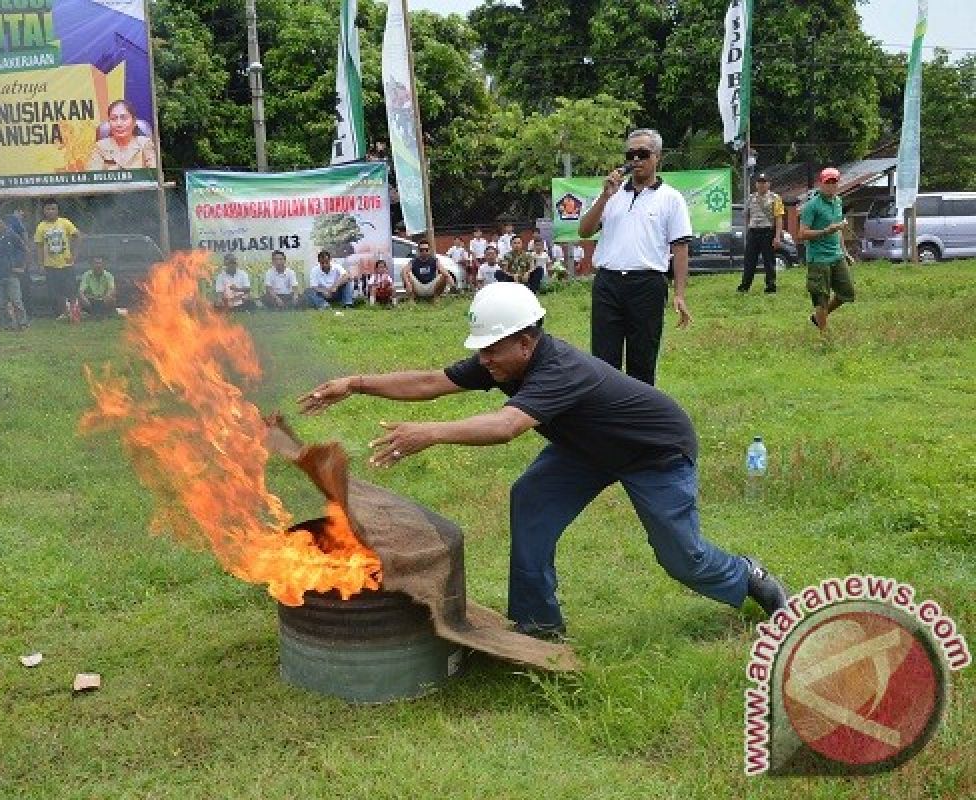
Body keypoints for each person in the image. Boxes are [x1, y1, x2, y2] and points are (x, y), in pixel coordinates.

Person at [296, 282, 789, 637]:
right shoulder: (503, 355)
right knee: (530, 497)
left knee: (682, 558)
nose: (483, 360)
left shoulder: (559, 368)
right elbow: (432, 381)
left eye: (492, 350)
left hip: (653, 452)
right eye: (481, 350)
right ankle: (538, 621)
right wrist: (355, 383)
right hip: (587, 449)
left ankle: (748, 576)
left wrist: (432, 434)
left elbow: (507, 426)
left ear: (526, 341)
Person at [578, 128, 693, 386]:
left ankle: (639, 419)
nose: (636, 160)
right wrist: (605, 197)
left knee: (642, 359)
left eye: (643, 153)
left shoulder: (671, 199)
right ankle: (607, 417)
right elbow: (585, 231)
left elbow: (680, 248)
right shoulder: (612, 195)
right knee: (604, 360)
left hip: (647, 284)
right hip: (608, 284)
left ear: (657, 157)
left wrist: (680, 294)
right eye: (631, 154)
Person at [799, 167, 855, 334]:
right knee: (820, 298)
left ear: (838, 183)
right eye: (827, 182)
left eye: (834, 182)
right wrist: (825, 231)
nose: (831, 185)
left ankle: (818, 319)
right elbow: (802, 233)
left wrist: (845, 252)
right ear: (821, 184)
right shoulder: (812, 206)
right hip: (818, 259)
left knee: (847, 293)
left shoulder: (838, 202)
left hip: (836, 255)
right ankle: (824, 336)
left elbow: (838, 230)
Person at [33, 198, 80, 320]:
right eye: (48, 209)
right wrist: (40, 264)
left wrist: (74, 256)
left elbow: (77, 236)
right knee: (55, 292)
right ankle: (63, 313)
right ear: (44, 211)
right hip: (50, 266)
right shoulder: (41, 227)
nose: (50, 211)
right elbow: (39, 246)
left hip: (66, 264)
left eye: (53, 208)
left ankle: (75, 313)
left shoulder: (65, 223)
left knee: (71, 290)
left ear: (57, 210)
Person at [738, 173, 785, 294]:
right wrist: (750, 227)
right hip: (753, 232)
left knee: (769, 261)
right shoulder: (750, 198)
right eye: (759, 182)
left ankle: (771, 286)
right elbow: (746, 215)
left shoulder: (775, 198)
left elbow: (779, 218)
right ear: (756, 184)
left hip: (767, 232)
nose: (761, 185)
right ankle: (744, 286)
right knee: (749, 261)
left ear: (768, 184)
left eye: (764, 182)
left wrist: (777, 236)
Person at [87, 99, 158, 170]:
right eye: (113, 119)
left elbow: (154, 176)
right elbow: (92, 177)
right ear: (109, 122)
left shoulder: (145, 144)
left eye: (124, 118)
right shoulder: (100, 147)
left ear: (134, 122)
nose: (119, 124)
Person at [0, 216, 28, 329]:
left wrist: (21, 266)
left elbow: (24, 250)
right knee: (0, 303)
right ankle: (7, 324)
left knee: (16, 301)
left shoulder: (12, 237)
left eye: (0, 223)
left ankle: (22, 323)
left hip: (11, 274)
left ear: (5, 224)